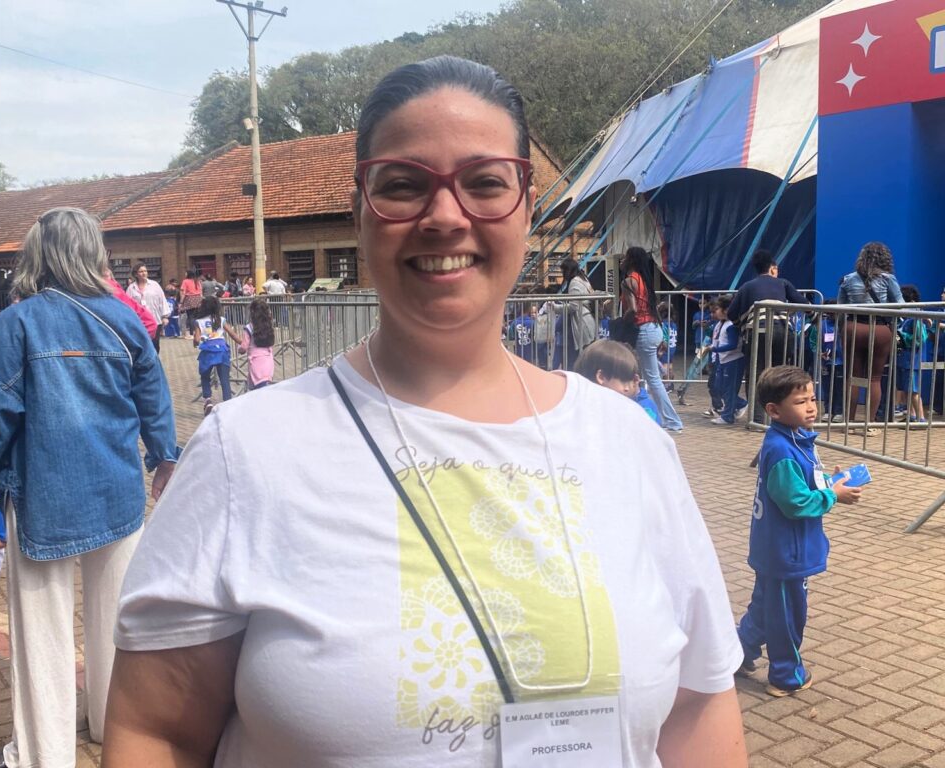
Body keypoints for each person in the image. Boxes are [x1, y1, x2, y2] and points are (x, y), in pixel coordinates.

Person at [104, 55, 746, 768]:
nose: (446, 216)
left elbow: (698, 708)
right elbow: (158, 732)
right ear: (359, 211)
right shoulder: (245, 452)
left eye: (485, 184)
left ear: (527, 207)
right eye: (404, 186)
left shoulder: (629, 443)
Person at [0, 207, 179, 768]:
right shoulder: (124, 317)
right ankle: (113, 727)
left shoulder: (16, 323)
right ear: (92, 251)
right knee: (117, 624)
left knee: (41, 635)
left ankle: (41, 756)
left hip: (43, 496)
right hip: (118, 492)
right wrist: (164, 459)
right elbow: (155, 394)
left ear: (37, 254)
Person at [736, 366, 862, 696]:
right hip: (785, 553)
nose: (810, 407)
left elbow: (800, 487)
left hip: (778, 549)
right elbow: (794, 502)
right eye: (800, 401)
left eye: (812, 398)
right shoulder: (781, 447)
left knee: (766, 608)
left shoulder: (793, 439)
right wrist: (833, 495)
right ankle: (786, 676)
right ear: (774, 410)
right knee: (787, 615)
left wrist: (829, 484)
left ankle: (735, 655)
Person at [727, 249, 808, 422]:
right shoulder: (783, 283)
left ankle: (757, 419)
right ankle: (780, 417)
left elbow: (732, 313)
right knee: (780, 375)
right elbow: (804, 303)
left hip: (758, 334)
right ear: (772, 268)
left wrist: (741, 324)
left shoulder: (747, 286)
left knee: (756, 375)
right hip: (783, 333)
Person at [837, 241, 904, 431]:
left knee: (853, 376)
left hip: (853, 328)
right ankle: (869, 423)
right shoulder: (888, 278)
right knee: (874, 378)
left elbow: (840, 309)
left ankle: (847, 422)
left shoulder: (847, 279)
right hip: (880, 330)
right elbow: (900, 304)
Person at [620, 245, 684, 433]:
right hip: (654, 329)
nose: (622, 261)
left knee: (652, 379)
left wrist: (621, 323)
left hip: (643, 330)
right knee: (651, 373)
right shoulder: (644, 280)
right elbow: (653, 309)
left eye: (625, 257)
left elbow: (633, 310)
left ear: (631, 260)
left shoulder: (629, 281)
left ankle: (673, 421)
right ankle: (666, 417)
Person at [574, 339, 660, 424]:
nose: (627, 388)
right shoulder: (583, 411)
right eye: (623, 380)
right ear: (601, 377)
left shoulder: (641, 411)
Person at [194, 296, 243, 413]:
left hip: (208, 351)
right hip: (222, 351)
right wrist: (244, 343)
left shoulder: (199, 322)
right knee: (224, 379)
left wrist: (197, 341)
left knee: (205, 376)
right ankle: (227, 404)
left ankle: (208, 400)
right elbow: (232, 334)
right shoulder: (221, 320)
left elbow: (196, 339)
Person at [710, 295, 748, 426]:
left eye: (718, 309)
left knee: (729, 389)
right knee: (719, 387)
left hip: (734, 360)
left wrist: (715, 349)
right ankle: (740, 404)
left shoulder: (731, 325)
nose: (715, 312)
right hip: (724, 359)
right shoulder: (722, 324)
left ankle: (728, 415)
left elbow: (733, 344)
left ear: (725, 310)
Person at [554, 257, 596, 370]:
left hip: (582, 323)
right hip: (588, 320)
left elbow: (573, 306)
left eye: (564, 271)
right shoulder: (584, 279)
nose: (563, 274)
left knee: (579, 360)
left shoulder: (575, 282)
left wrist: (555, 308)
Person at [895, 284, 928, 425]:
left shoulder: (916, 318)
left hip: (912, 360)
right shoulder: (905, 318)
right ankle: (912, 415)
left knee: (914, 391)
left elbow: (921, 338)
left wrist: (902, 337)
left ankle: (921, 418)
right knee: (907, 390)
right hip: (904, 359)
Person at [126, 262, 170, 352]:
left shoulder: (154, 285)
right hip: (139, 321)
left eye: (145, 271)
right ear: (136, 274)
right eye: (141, 271)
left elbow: (162, 300)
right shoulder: (131, 288)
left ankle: (154, 362)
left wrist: (165, 316)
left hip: (155, 320)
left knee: (155, 344)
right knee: (142, 344)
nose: (144, 273)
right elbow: (127, 304)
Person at [239, 296, 275, 390]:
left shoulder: (249, 327)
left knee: (257, 391)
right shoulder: (269, 325)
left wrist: (239, 349)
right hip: (268, 361)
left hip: (256, 362)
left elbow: (244, 347)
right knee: (266, 388)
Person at [178, 269, 203, 339]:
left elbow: (183, 292)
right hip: (198, 299)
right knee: (197, 316)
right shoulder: (197, 281)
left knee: (191, 316)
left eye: (185, 273)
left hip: (189, 299)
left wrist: (181, 302)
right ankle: (199, 332)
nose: (185, 274)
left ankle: (192, 333)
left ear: (188, 274)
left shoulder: (185, 281)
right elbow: (201, 292)